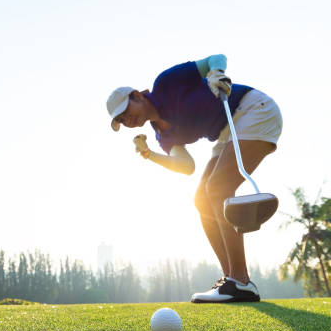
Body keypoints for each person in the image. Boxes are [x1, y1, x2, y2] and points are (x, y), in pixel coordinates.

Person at [106, 54, 282, 303]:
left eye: (125, 112)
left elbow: (216, 58)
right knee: (202, 199)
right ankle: (232, 279)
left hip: (253, 109)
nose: (127, 121)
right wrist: (149, 155)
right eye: (121, 121)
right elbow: (186, 166)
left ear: (137, 95)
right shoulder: (162, 136)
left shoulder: (166, 83)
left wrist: (215, 74)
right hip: (226, 134)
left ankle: (240, 282)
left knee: (218, 189)